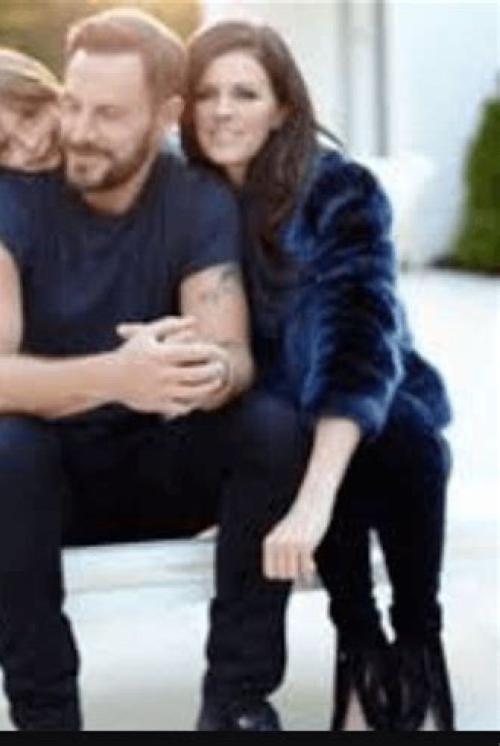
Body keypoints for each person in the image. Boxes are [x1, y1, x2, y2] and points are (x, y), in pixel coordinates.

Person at [0, 10, 302, 731]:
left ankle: (237, 703)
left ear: (164, 116)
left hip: (146, 466)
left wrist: (202, 372)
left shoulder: (195, 197)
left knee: (271, 428)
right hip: (21, 492)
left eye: (108, 114)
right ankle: (47, 717)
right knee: (3, 453)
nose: (76, 130)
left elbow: (234, 355)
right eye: (72, 104)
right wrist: (118, 377)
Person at [181, 19, 455, 732]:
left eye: (245, 93)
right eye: (206, 93)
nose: (222, 110)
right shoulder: (186, 198)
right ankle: (361, 649)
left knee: (396, 432)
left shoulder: (339, 189)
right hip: (259, 423)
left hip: (364, 396)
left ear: (282, 108)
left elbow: (360, 340)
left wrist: (311, 504)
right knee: (289, 429)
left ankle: (416, 649)